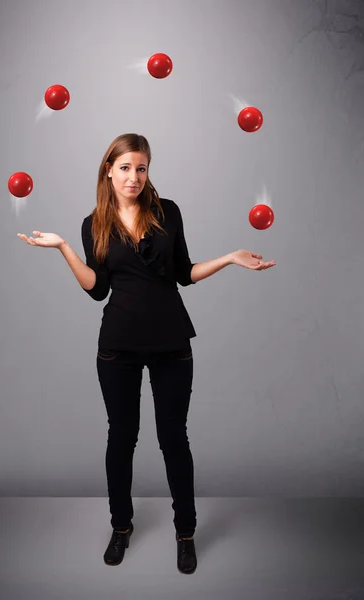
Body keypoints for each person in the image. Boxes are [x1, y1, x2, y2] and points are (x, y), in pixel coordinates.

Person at [17, 133, 276, 575]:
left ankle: (186, 534)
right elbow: (97, 290)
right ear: (108, 171)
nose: (133, 177)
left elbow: (184, 274)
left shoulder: (167, 212)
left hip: (171, 341)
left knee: (174, 438)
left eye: (141, 168)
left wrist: (231, 257)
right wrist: (63, 248)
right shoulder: (93, 223)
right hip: (117, 345)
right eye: (124, 168)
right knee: (122, 437)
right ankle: (121, 528)